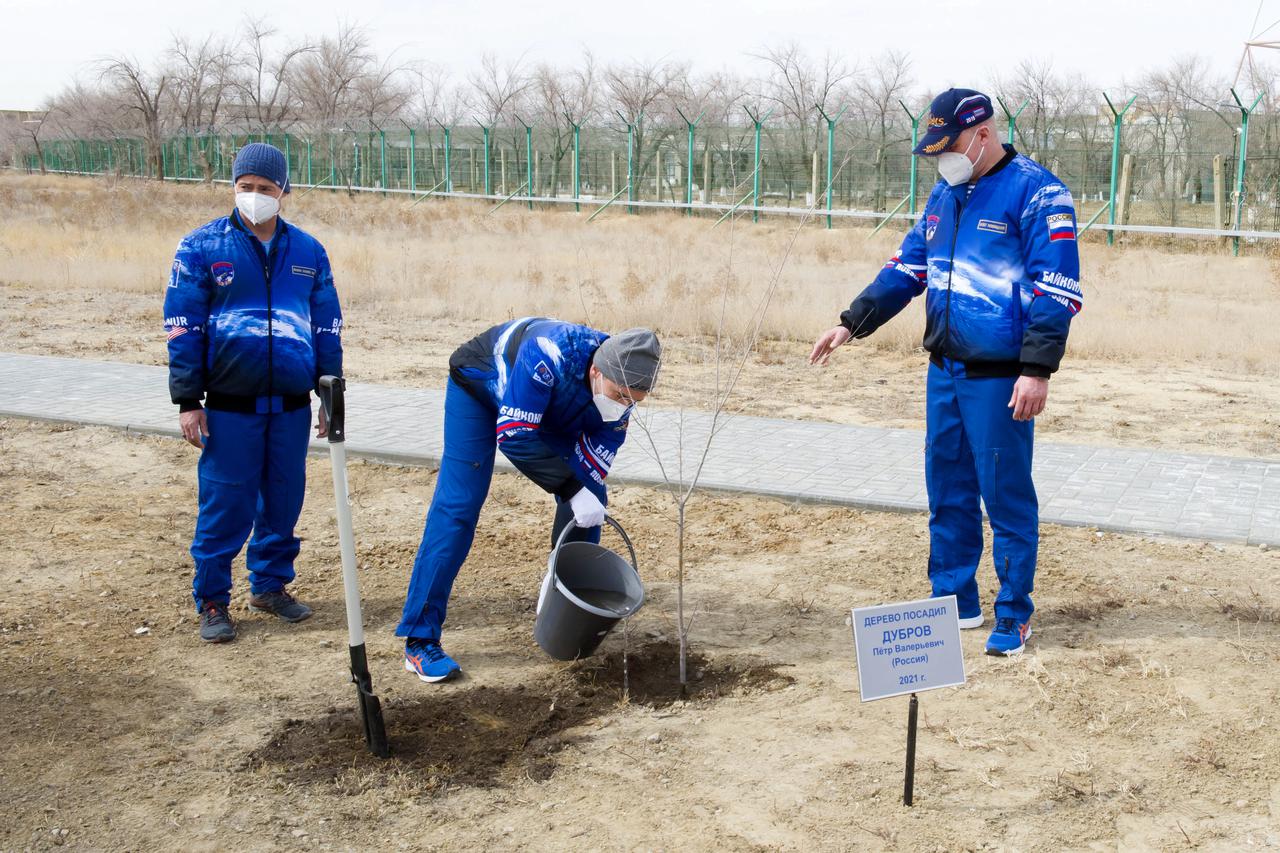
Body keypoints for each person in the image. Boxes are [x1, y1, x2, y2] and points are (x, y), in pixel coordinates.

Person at [809, 88, 1082, 656]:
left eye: (949, 146)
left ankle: (1014, 614)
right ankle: (955, 598)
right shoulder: (944, 194)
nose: (942, 159)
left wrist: (1037, 370)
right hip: (944, 372)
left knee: (1004, 495)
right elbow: (908, 267)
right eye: (933, 150)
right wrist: (851, 323)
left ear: (982, 135)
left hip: (1002, 378)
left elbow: (1057, 291)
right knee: (948, 490)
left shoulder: (1040, 194)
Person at [397, 319, 661, 682]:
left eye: (635, 401)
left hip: (550, 405)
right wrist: (570, 489)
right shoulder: (549, 352)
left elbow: (588, 473)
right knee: (458, 508)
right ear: (598, 371)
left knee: (590, 502)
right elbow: (516, 435)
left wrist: (562, 553)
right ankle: (419, 640)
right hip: (479, 386)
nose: (625, 406)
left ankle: (568, 603)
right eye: (619, 395)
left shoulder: (622, 390)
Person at [164, 142, 343, 643]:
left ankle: (269, 586)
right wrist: (187, 400)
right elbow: (183, 327)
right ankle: (213, 600)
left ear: (285, 191)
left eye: (266, 189)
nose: (255, 196)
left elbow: (327, 326)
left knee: (283, 502)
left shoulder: (308, 251)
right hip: (229, 408)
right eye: (246, 187)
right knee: (226, 503)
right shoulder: (201, 248)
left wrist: (331, 393)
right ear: (233, 187)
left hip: (289, 407)